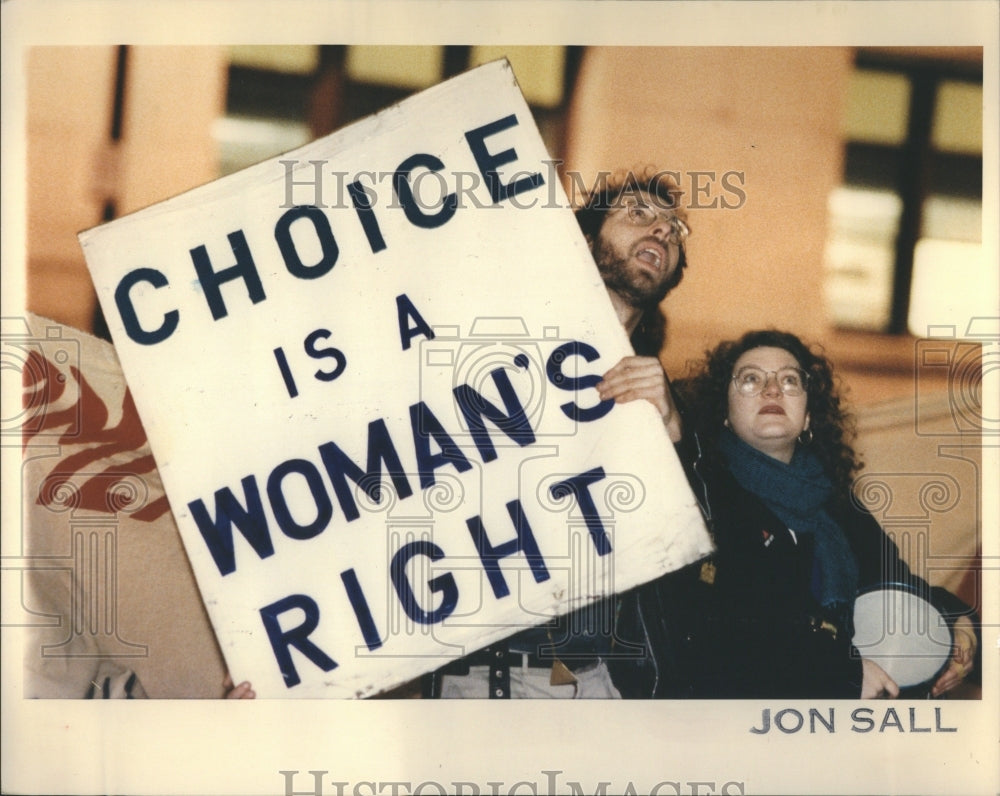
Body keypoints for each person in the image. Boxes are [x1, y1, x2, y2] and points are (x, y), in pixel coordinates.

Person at [423, 167, 693, 698]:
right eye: (639, 215)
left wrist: (673, 432)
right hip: (475, 677)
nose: (662, 232)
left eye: (674, 230)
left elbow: (690, 546)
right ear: (588, 240)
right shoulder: (488, 350)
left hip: (585, 679)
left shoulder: (670, 404)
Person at [613, 329, 979, 698]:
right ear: (724, 412)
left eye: (789, 380)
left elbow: (895, 585)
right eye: (751, 379)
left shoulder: (835, 503)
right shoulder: (702, 494)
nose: (772, 390)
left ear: (807, 417)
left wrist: (956, 620)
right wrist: (845, 674)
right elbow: (728, 636)